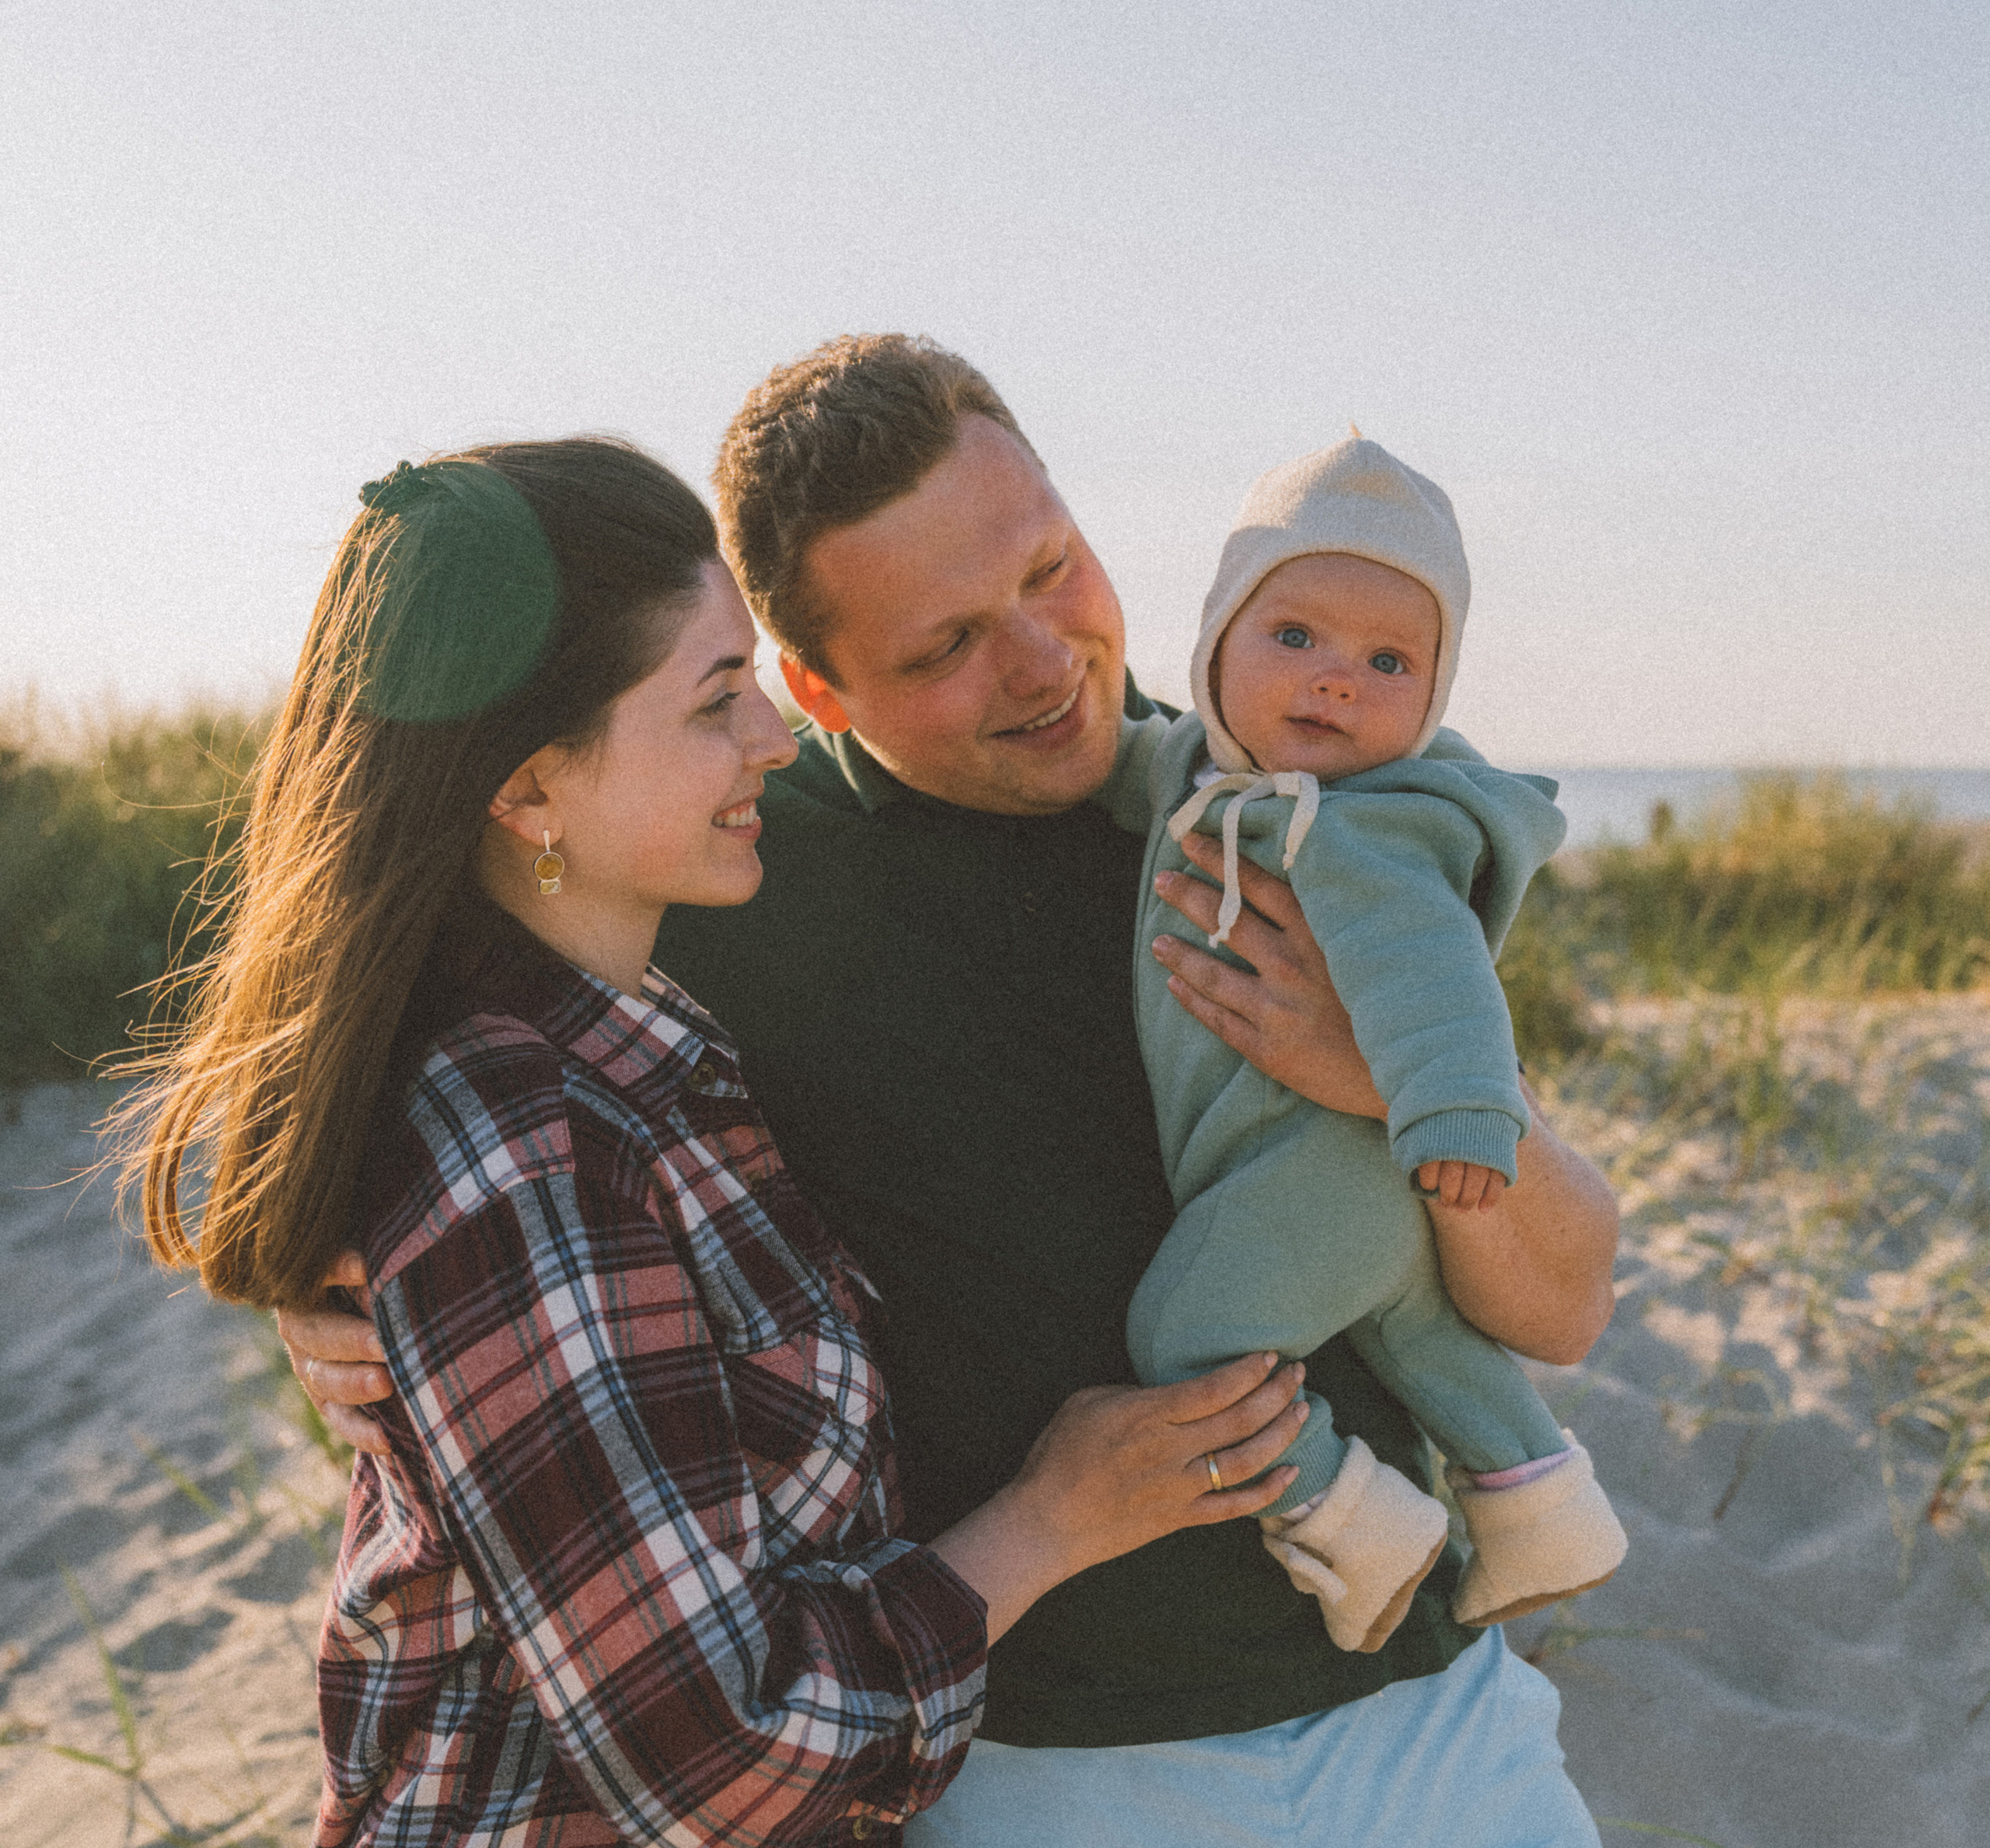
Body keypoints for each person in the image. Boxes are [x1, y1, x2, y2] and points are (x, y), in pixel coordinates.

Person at [281, 343, 1620, 1847]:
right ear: (813, 687)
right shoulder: (720, 857)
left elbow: (1563, 1304)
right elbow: (389, 969)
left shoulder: (1268, 807)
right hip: (1040, 1764)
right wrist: (313, 1274)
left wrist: (1383, 1082)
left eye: (1054, 568)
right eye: (944, 649)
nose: (1047, 661)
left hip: (1430, 1711)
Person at [125, 439, 1309, 1847]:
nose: (774, 741)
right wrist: (1052, 1520)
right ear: (527, 792)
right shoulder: (523, 1145)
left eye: (753, 681)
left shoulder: (639, 1043)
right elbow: (718, 1755)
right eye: (713, 704)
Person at [1104, 433, 1629, 1657]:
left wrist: (1456, 1114)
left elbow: (1434, 974)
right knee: (1422, 1336)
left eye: (1388, 661)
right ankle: (1540, 1502)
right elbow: (1118, 764)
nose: (1335, 680)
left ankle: (1352, 1520)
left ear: (1434, 699)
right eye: (1294, 636)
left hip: (1341, 1167)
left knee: (1185, 1341)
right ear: (1216, 639)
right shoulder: (1193, 767)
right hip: (1333, 1176)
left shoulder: (1368, 828)